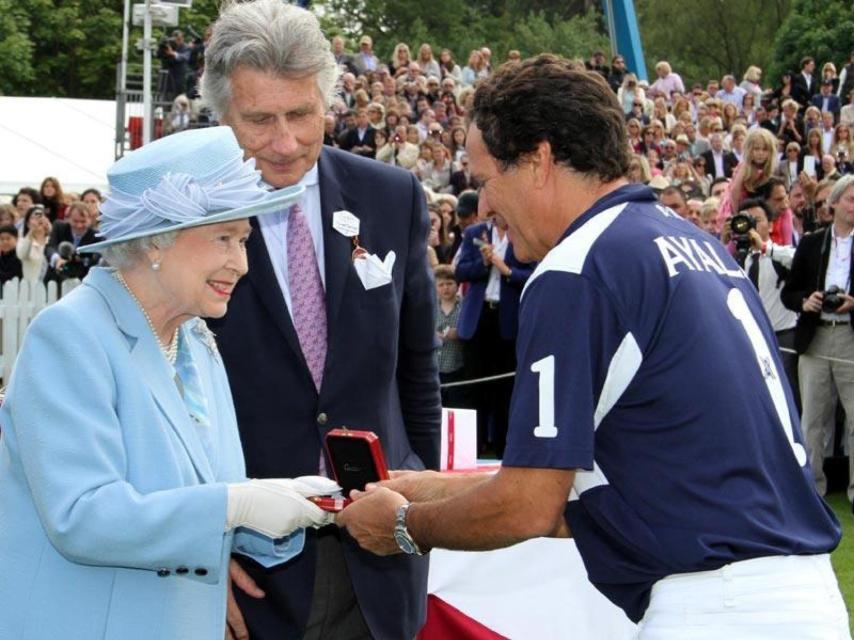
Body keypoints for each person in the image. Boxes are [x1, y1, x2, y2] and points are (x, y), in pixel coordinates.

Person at [337, 54, 848, 639]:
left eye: (486, 181)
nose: (487, 208)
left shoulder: (576, 268)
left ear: (539, 159)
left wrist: (405, 527)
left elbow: (532, 504)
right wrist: (423, 487)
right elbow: (601, 491)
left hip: (713, 605)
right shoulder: (697, 246)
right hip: (803, 596)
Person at [0, 126, 337, 640]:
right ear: (157, 241)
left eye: (244, 240)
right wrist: (235, 505)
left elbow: (204, 496)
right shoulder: (70, 334)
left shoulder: (196, 341)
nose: (241, 264)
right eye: (224, 239)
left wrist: (284, 508)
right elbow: (81, 516)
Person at [200, 3, 441, 639]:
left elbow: (418, 368)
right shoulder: (181, 219)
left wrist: (419, 485)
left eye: (302, 114)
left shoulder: (392, 196)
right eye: (260, 120)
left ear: (327, 102)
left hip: (379, 554)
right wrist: (193, 550)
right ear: (221, 115)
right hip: (249, 564)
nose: (285, 142)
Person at [781, 175, 854, 503]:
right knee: (811, 418)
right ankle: (811, 492)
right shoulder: (812, 243)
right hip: (815, 336)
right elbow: (789, 292)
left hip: (850, 336)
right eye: (850, 199)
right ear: (834, 203)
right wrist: (805, 301)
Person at [455, 207, 534, 457]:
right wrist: (484, 262)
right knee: (474, 391)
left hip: (507, 321)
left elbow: (534, 274)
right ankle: (472, 450)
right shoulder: (474, 233)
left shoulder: (524, 232)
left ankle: (502, 451)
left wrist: (506, 270)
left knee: (504, 391)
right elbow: (459, 271)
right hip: (478, 320)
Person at [739, 198, 799, 408]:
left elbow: (799, 260)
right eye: (746, 221)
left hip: (783, 337)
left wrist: (765, 248)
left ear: (771, 224)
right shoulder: (741, 259)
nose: (752, 226)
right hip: (753, 339)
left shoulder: (780, 255)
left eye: (757, 220)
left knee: (786, 395)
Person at [44, 201, 101, 283]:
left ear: (90, 220)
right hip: (55, 281)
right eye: (75, 221)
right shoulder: (59, 227)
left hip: (83, 283)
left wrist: (81, 259)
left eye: (83, 221)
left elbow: (96, 258)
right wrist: (57, 260)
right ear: (68, 218)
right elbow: (50, 247)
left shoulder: (97, 236)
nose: (79, 225)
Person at [17, 204, 51, 284]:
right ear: (28, 223)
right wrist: (31, 231)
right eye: (33, 218)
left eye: (41, 216)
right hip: (31, 288)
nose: (38, 220)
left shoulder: (52, 241)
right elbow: (22, 255)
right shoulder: (23, 241)